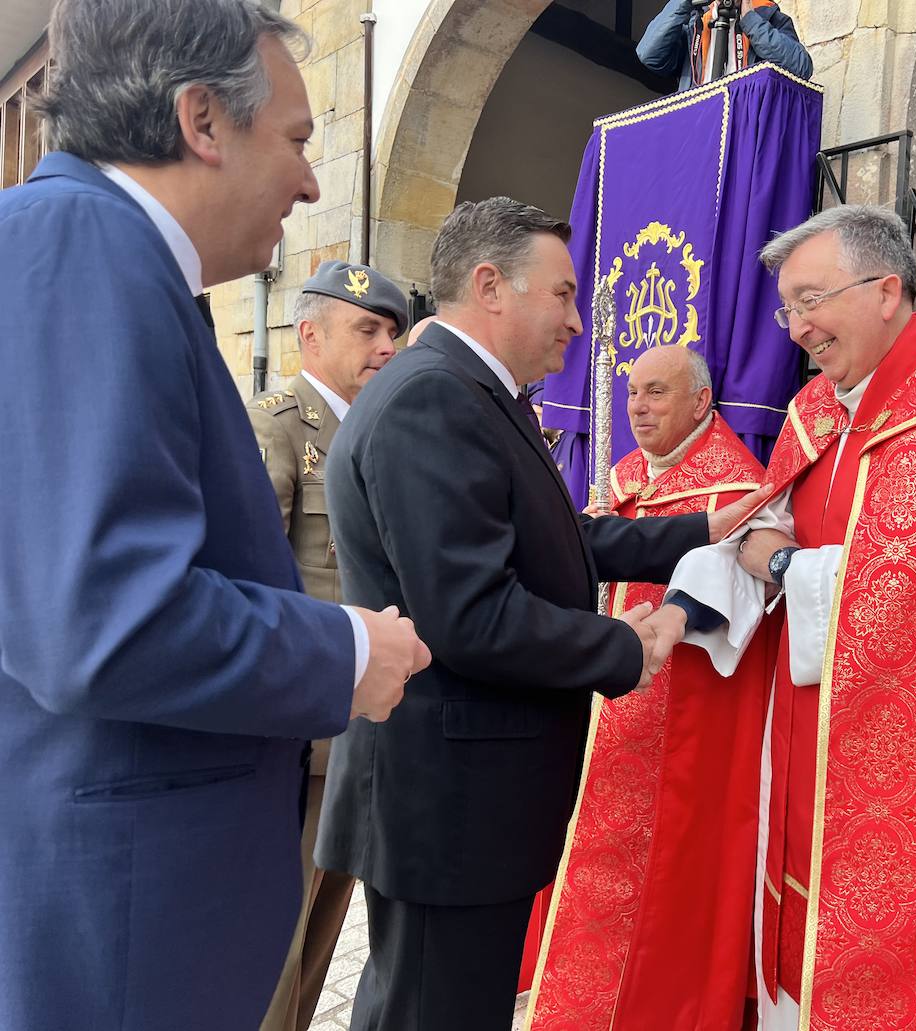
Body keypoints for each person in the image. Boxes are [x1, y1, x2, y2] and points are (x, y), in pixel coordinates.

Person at [0, 3, 429, 1030]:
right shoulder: (81, 245)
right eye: (293, 139)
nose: (312, 182)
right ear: (202, 119)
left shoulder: (101, 253)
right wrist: (343, 648)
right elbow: (102, 616)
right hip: (122, 924)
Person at [314, 197, 759, 1031]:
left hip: (462, 802)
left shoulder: (472, 391)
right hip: (447, 805)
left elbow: (559, 536)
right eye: (561, 294)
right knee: (429, 1013)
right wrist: (626, 644)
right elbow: (471, 614)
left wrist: (700, 527)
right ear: (491, 286)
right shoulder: (434, 399)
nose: (577, 319)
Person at [645, 205, 916, 1029]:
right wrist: (679, 612)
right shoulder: (816, 412)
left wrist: (780, 564)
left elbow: (913, 606)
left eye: (812, 300)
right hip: (804, 734)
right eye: (787, 309)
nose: (798, 328)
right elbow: (759, 524)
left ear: (888, 291)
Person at [527, 346, 769, 1030]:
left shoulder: (736, 491)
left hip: (685, 725)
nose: (637, 407)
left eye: (656, 393)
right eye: (633, 393)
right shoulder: (625, 475)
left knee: (670, 890)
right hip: (609, 712)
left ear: (701, 402)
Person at [249, 260, 409, 1031]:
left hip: (370, 727)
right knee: (275, 935)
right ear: (309, 335)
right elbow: (256, 580)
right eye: (367, 329)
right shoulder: (279, 424)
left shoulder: (386, 427)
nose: (386, 344)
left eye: (392, 330)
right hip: (302, 732)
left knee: (324, 932)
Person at [637, 0, 813, 91]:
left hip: (745, 128)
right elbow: (649, 55)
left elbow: (801, 67)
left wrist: (751, 21)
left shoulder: (768, 16)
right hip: (697, 126)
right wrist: (685, 3)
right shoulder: (694, 22)